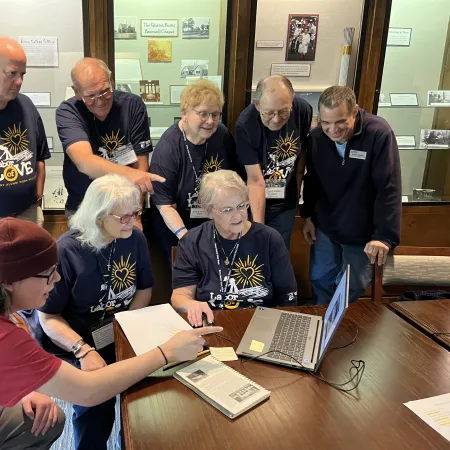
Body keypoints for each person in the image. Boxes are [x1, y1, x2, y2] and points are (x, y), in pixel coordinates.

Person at [0, 217, 221, 449]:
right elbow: (88, 391)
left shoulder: (12, 317)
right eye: (47, 274)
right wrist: (166, 352)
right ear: (10, 282)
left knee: (50, 419)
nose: (57, 279)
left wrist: (24, 390)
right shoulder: (7, 339)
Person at [37, 174, 154, 449]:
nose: (133, 222)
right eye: (124, 217)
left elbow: (144, 291)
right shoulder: (67, 250)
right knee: (95, 399)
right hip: (78, 339)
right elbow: (48, 317)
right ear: (99, 217)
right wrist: (83, 350)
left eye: (135, 213)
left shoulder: (134, 238)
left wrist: (124, 330)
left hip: (121, 329)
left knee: (149, 391)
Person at [300, 86, 401, 304]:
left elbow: (389, 187)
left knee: (352, 284)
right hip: (327, 224)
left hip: (362, 229)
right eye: (326, 123)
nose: (333, 130)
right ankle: (322, 329)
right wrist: (308, 215)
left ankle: (343, 329)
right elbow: (313, 180)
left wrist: (384, 235)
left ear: (355, 111)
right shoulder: (317, 137)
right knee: (319, 278)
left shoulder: (378, 133)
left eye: (340, 122)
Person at [171, 170, 298, 327]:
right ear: (207, 211)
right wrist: (191, 305)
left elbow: (288, 297)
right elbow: (180, 295)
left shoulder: (270, 239)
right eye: (228, 210)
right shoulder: (192, 242)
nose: (238, 216)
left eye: (241, 206)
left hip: (262, 324)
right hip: (211, 324)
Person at [56, 57, 163, 224]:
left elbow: (141, 161)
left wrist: (137, 214)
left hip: (125, 208)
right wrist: (132, 175)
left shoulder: (132, 105)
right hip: (84, 208)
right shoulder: (68, 112)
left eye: (105, 91)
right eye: (90, 96)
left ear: (111, 81)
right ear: (76, 92)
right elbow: (85, 162)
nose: (100, 101)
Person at [150, 79, 239, 261]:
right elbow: (165, 205)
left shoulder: (222, 135)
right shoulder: (168, 147)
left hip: (213, 223)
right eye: (203, 114)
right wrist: (187, 239)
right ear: (184, 113)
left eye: (215, 114)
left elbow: (233, 180)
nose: (210, 121)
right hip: (177, 225)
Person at [235, 75, 312, 249]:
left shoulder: (302, 110)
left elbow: (303, 153)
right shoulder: (245, 124)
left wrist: (297, 187)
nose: (276, 119)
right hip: (253, 200)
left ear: (292, 102)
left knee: (279, 250)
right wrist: (259, 229)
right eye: (269, 113)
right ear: (256, 104)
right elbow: (255, 181)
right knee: (254, 248)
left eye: (284, 111)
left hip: (286, 201)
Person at [0, 37, 50, 226]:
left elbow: (40, 158)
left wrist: (36, 203)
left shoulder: (26, 105)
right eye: (12, 73)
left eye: (22, 74)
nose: (19, 81)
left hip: (27, 215)